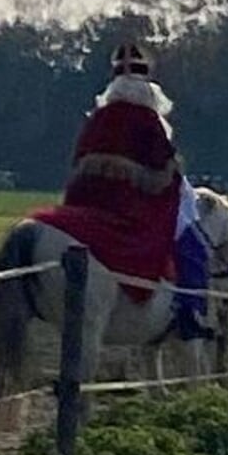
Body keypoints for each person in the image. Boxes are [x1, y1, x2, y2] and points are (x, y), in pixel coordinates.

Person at [33, 41, 211, 340]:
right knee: (191, 246)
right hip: (132, 209)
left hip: (87, 204)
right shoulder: (148, 120)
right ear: (147, 87)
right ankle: (190, 311)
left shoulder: (97, 120)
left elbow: (77, 164)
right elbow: (166, 175)